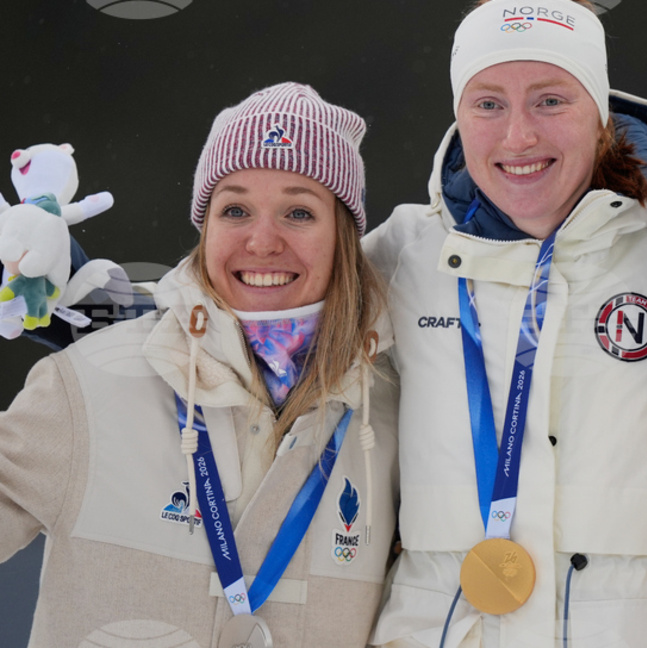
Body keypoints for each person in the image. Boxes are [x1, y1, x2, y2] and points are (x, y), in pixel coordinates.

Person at [362, 0, 647, 646]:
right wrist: (126, 312)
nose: (518, 136)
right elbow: (256, 305)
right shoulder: (402, 257)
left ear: (600, 117)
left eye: (550, 100)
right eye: (488, 104)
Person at [0, 82, 397, 648]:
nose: (262, 241)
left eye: (299, 212)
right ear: (204, 228)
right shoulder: (87, 382)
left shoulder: (389, 415)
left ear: (343, 238)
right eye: (235, 209)